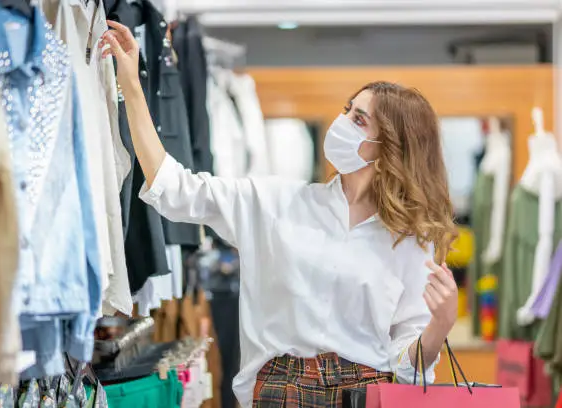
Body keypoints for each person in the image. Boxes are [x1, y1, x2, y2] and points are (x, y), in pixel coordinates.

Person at [100, 21, 459, 408]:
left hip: (365, 393)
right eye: (347, 110)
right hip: (280, 390)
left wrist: (439, 325)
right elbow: (174, 187)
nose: (342, 123)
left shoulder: (410, 241)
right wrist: (132, 88)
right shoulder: (275, 201)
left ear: (390, 146)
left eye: (359, 120)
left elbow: (407, 367)